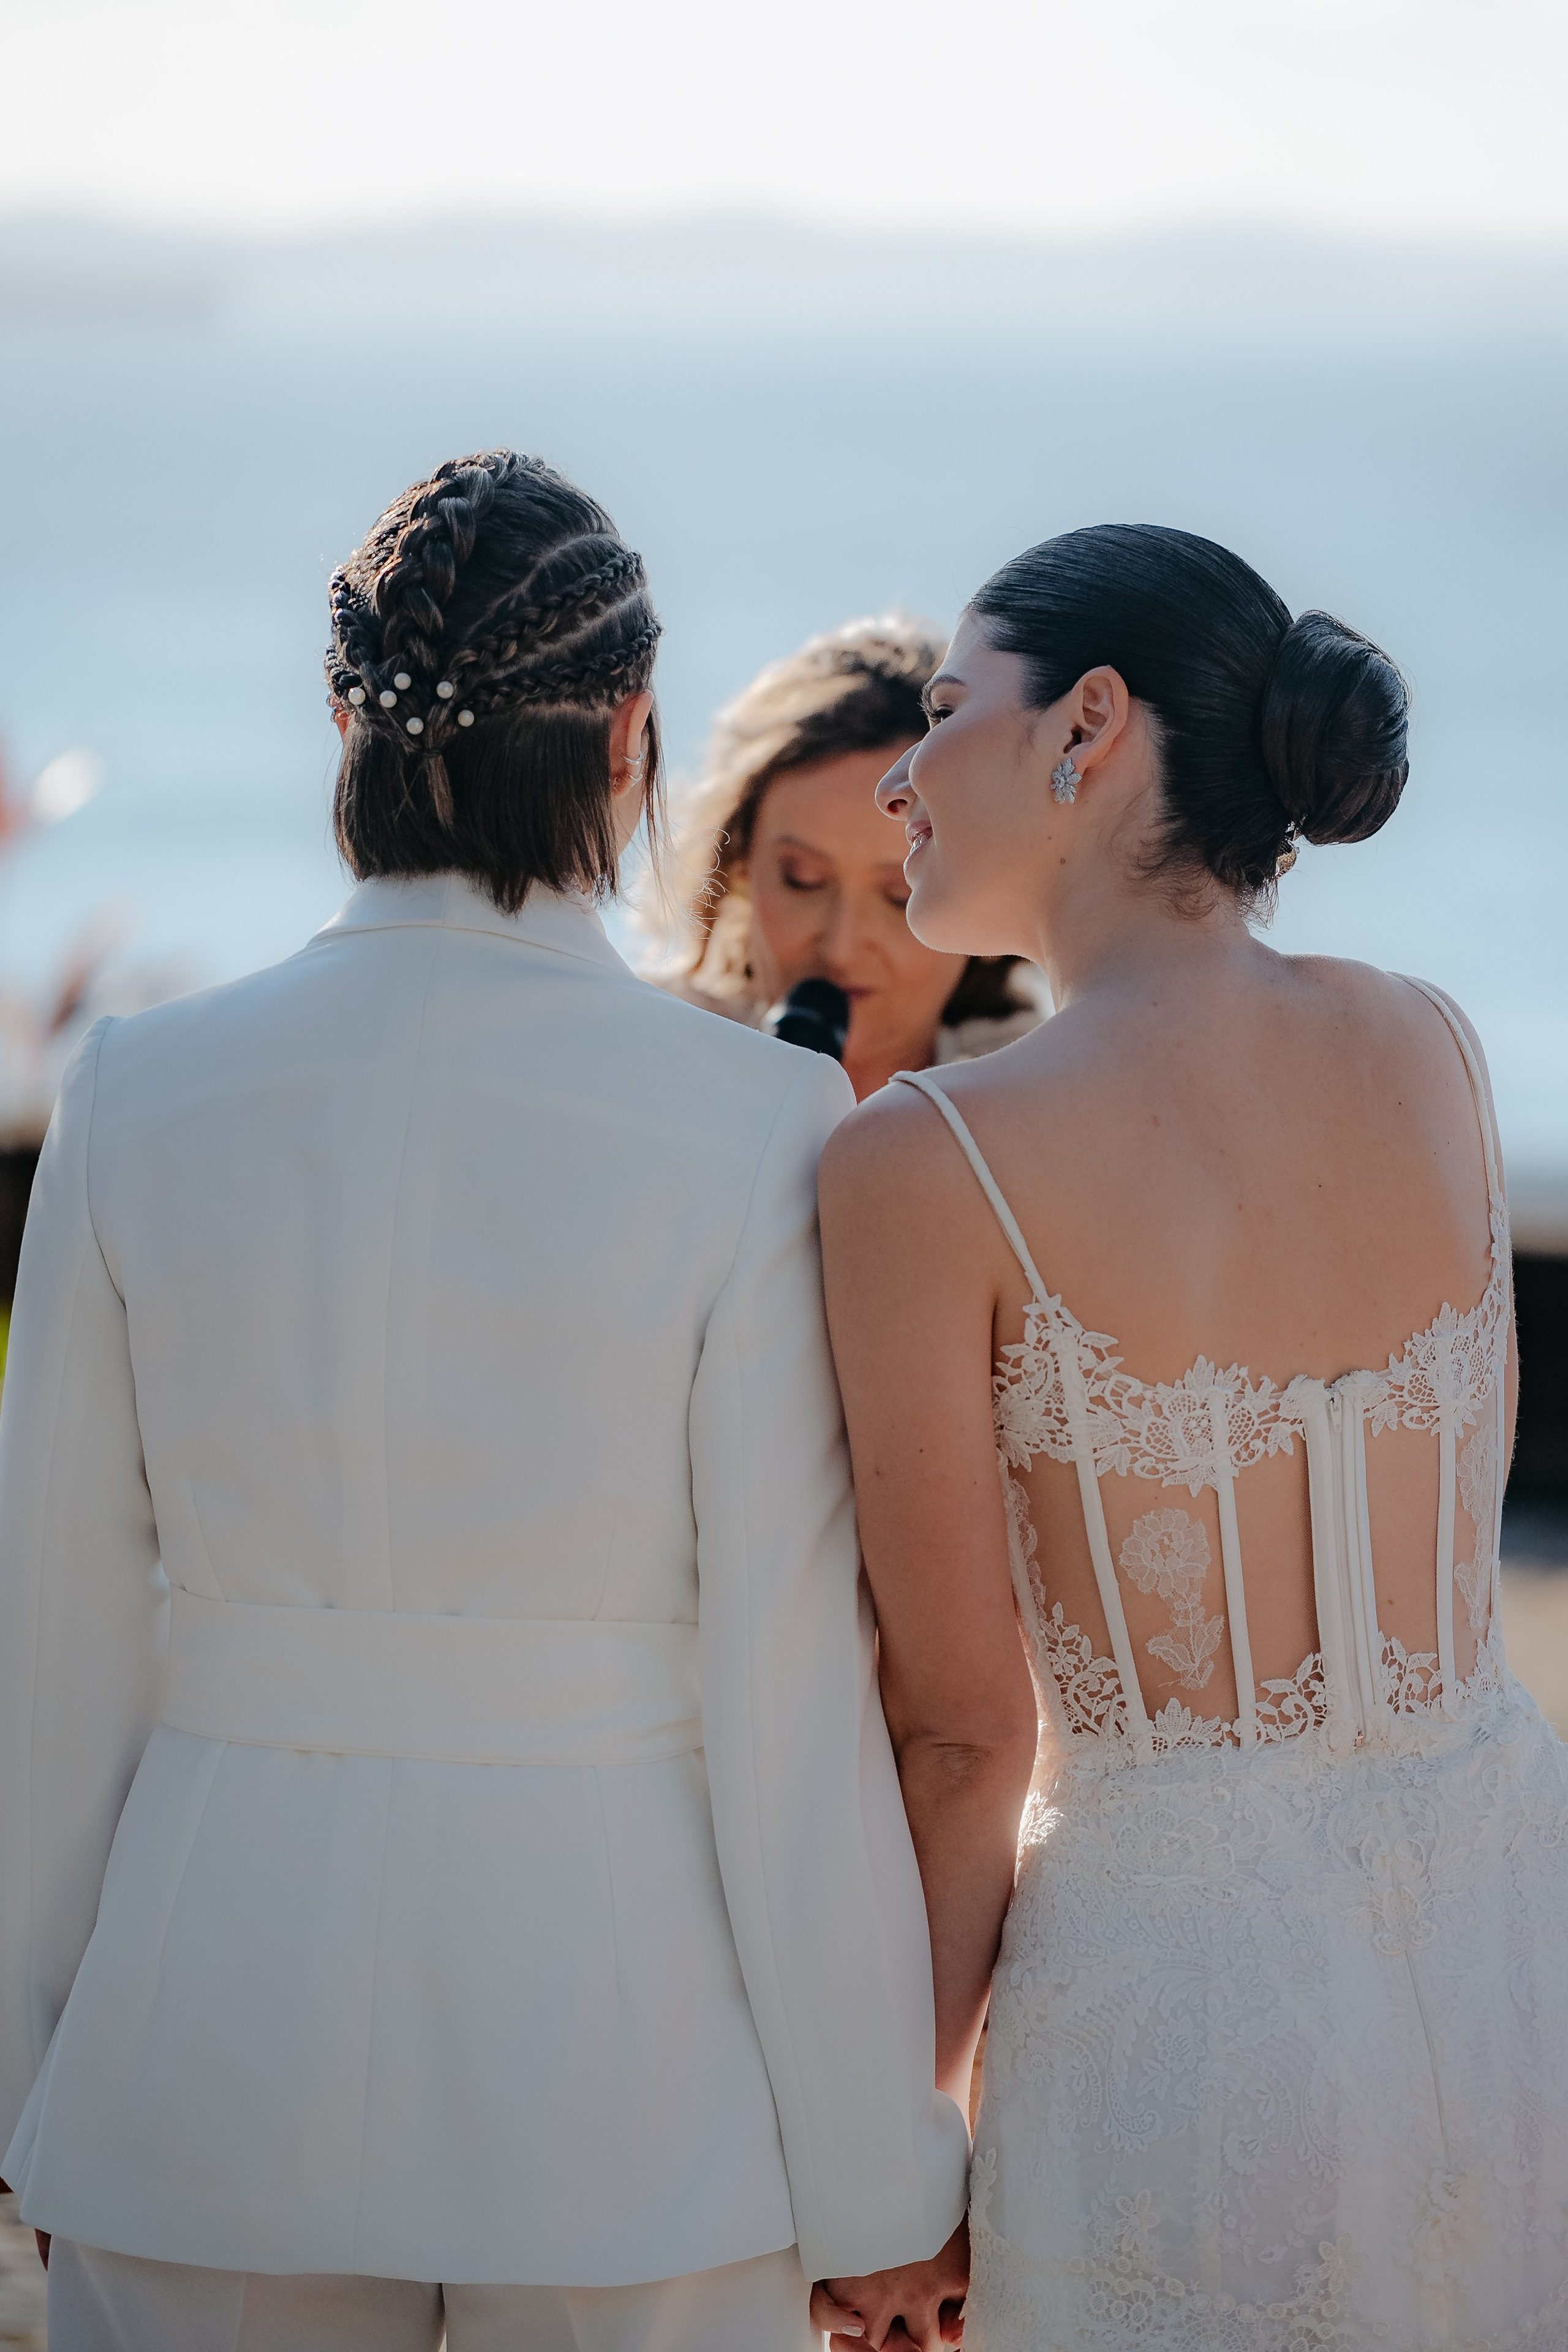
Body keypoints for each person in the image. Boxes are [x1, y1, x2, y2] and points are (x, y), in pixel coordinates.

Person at [0, 450, 968, 2351]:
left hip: (205, 2031)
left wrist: (25, 2066)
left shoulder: (132, 1093)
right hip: (622, 2064)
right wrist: (872, 2170)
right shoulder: (750, 1124)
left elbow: (54, 1648)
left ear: (343, 722)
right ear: (629, 737)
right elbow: (783, 1699)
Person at [815, 525, 1568, 2347]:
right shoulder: (1437, 1046)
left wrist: (891, 2157)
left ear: (1088, 725)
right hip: (1504, 1937)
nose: (902, 780)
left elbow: (959, 1733)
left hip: (1186, 2013)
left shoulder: (931, 1157)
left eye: (939, 712)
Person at [654, 616, 1043, 1099]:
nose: (841, 949)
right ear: (738, 867)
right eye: (803, 880)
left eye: (902, 895)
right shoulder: (650, 1056)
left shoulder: (1057, 1104)